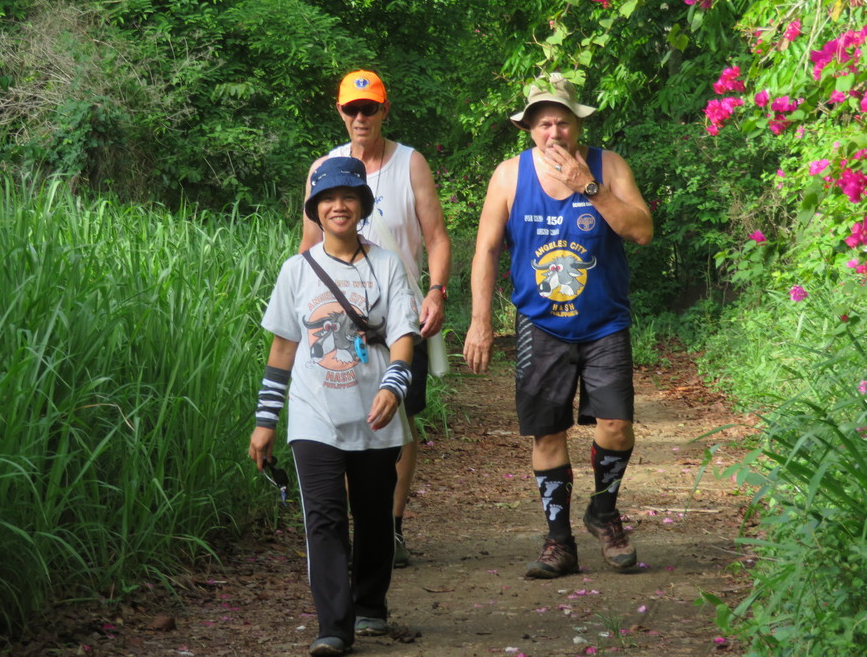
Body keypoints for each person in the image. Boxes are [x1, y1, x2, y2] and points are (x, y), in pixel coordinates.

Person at [461, 73, 653, 579]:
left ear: (577, 124)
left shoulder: (609, 167)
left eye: (562, 122)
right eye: (543, 123)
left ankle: (604, 512)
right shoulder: (509, 176)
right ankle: (559, 542)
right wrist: (480, 322)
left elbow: (642, 231)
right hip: (540, 324)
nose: (554, 133)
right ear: (528, 128)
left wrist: (588, 186)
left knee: (616, 427)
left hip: (604, 321)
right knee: (546, 433)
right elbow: (486, 250)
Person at [250, 157, 422, 656]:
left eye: (348, 196)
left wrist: (393, 386)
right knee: (323, 518)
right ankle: (333, 626)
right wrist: (266, 421)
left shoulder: (386, 264)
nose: (338, 206)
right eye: (327, 199)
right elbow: (283, 348)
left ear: (362, 205)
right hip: (314, 414)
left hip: (376, 414)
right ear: (316, 209)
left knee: (373, 515)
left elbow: (403, 334)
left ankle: (370, 606)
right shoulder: (296, 271)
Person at [300, 70, 451, 568]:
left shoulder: (410, 163)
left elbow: (437, 237)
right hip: (338, 318)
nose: (360, 117)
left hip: (401, 315)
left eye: (370, 108)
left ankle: (390, 527)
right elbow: (307, 249)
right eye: (352, 109)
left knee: (399, 421)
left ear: (385, 110)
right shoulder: (324, 168)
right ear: (340, 112)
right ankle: (356, 527)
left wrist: (436, 292)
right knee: (346, 419)